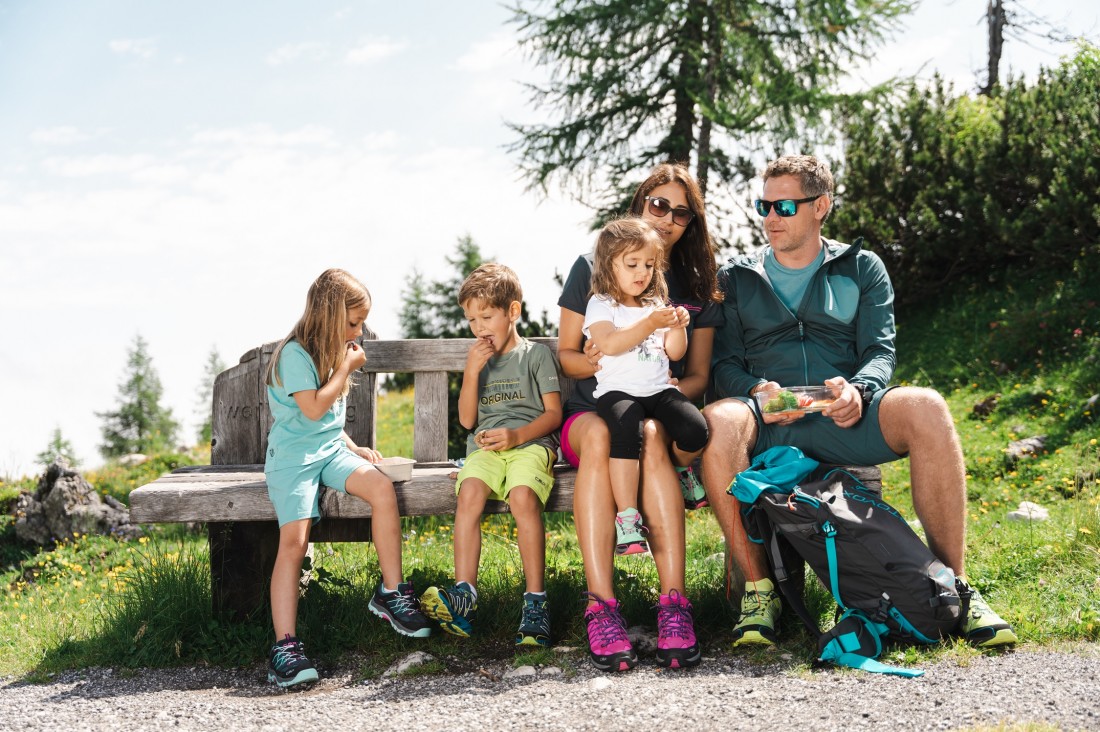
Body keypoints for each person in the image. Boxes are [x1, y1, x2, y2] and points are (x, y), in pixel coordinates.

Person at [700, 154, 1018, 649]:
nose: (771, 217)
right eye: (765, 206)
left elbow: (879, 351)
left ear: (820, 206)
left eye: (785, 206)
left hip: (844, 417)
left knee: (927, 406)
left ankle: (953, 589)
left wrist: (859, 390)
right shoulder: (736, 278)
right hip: (771, 419)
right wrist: (757, 392)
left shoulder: (862, 267)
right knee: (718, 420)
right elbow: (725, 366)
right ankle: (759, 593)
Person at [558, 163, 723, 672]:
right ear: (640, 203)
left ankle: (674, 605)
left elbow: (696, 374)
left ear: (692, 222)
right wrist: (606, 359)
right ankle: (601, 607)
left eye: (681, 212)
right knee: (605, 435)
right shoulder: (594, 265)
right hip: (593, 406)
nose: (668, 218)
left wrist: (661, 387)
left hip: (655, 403)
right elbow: (568, 357)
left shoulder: (694, 281)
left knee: (650, 431)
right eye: (658, 205)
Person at [262, 268, 431, 689]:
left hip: (329, 451)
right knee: (294, 541)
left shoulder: (335, 349)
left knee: (381, 488)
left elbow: (328, 424)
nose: (359, 332)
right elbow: (313, 409)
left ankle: (391, 592)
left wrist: (353, 447)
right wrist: (346, 367)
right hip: (293, 460)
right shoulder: (295, 355)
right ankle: (284, 647)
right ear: (329, 315)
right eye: (354, 322)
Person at [420, 263, 563, 647]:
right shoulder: (477, 361)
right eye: (471, 320)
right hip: (485, 450)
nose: (479, 327)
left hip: (530, 444)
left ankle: (535, 602)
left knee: (522, 497)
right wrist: (470, 372)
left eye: (486, 317)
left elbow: (554, 415)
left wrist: (517, 435)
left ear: (512, 311)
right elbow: (468, 420)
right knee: (469, 494)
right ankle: (464, 596)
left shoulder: (535, 355)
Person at [583, 218, 709, 556]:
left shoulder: (656, 305)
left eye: (649, 265)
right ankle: (627, 518)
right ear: (609, 265)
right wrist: (651, 323)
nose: (642, 272)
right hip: (618, 392)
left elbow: (675, 352)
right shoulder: (602, 304)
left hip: (658, 390)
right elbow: (609, 344)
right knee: (627, 430)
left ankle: (681, 469)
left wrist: (678, 326)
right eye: (632, 264)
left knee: (696, 430)